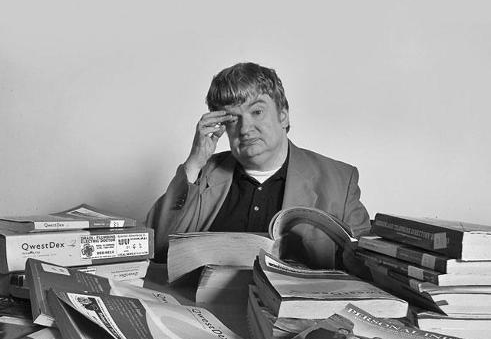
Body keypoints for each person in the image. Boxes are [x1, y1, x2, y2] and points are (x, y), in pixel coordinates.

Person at [146, 62, 371, 267]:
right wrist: (194, 162)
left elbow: (367, 267)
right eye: (233, 119)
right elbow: (155, 249)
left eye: (257, 112)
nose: (245, 129)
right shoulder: (201, 174)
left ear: (283, 116)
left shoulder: (340, 181)